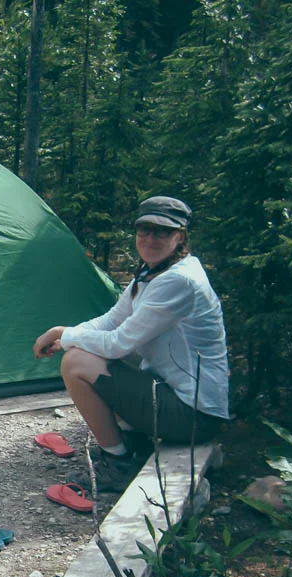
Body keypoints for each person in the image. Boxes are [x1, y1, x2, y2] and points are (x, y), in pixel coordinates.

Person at [33, 196, 230, 491]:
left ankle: (118, 464)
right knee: (89, 353)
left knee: (77, 362)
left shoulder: (178, 281)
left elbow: (118, 343)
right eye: (144, 230)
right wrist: (66, 333)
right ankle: (132, 443)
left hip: (193, 416)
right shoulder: (155, 272)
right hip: (177, 399)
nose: (150, 238)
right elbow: (113, 320)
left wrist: (64, 336)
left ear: (180, 237)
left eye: (161, 232)